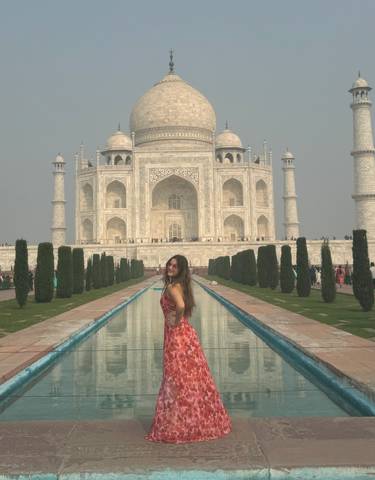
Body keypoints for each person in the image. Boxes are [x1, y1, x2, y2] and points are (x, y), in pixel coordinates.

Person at [145, 254, 232, 444]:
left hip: (177, 338)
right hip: (186, 335)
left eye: (174, 266)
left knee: (176, 379)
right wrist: (178, 319)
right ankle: (197, 421)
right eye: (169, 264)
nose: (170, 267)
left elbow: (181, 306)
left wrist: (175, 320)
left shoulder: (171, 287)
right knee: (190, 378)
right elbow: (183, 305)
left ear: (181, 269)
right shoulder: (182, 286)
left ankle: (179, 424)